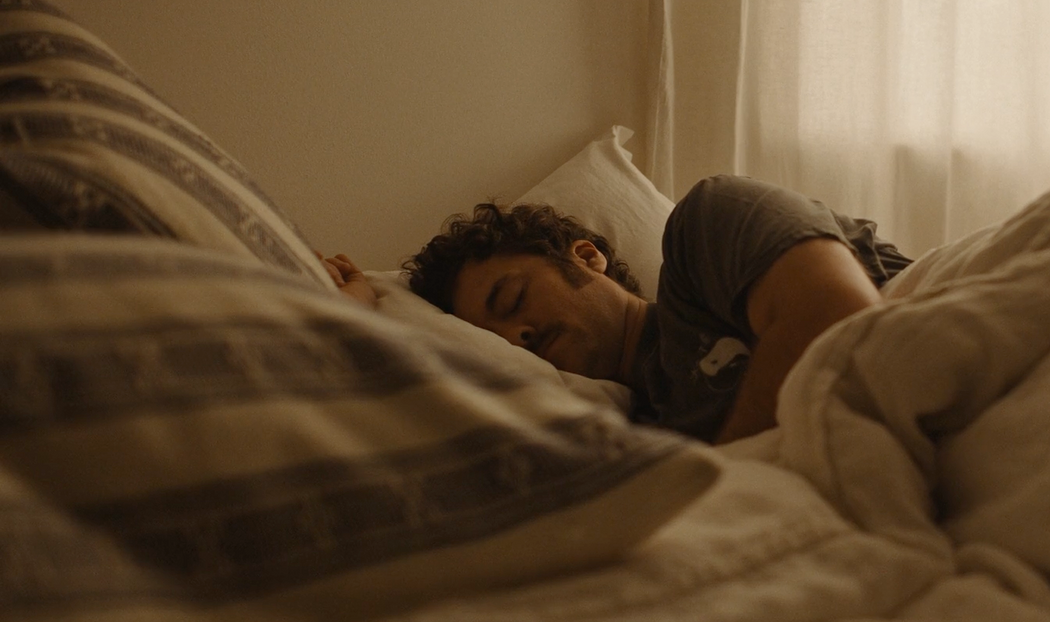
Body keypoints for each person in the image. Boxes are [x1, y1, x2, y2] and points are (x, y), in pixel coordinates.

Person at [331, 175, 913, 445]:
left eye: (511, 301)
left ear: (588, 257)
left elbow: (842, 317)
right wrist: (354, 309)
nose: (518, 336)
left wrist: (738, 475)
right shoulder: (636, 431)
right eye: (498, 337)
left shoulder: (706, 228)